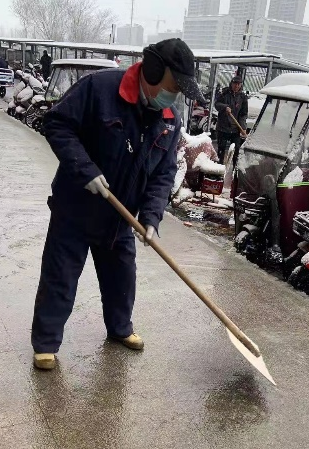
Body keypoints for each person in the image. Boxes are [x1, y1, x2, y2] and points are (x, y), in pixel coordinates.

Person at [31, 38, 206, 370]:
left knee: (122, 279)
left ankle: (120, 329)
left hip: (120, 216)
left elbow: (164, 172)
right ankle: (46, 343)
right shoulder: (99, 88)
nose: (175, 96)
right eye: (173, 87)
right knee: (61, 277)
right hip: (77, 208)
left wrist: (152, 217)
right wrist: (85, 169)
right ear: (153, 71)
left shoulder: (169, 118)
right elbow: (56, 124)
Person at [215, 76, 248, 165]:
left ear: (241, 85)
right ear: (231, 83)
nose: (236, 86)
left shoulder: (243, 97)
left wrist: (243, 127)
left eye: (238, 84)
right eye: (235, 84)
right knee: (221, 149)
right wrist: (224, 107)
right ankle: (219, 168)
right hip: (223, 128)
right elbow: (217, 104)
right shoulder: (224, 93)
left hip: (235, 129)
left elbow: (243, 114)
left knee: (236, 150)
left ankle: (235, 170)